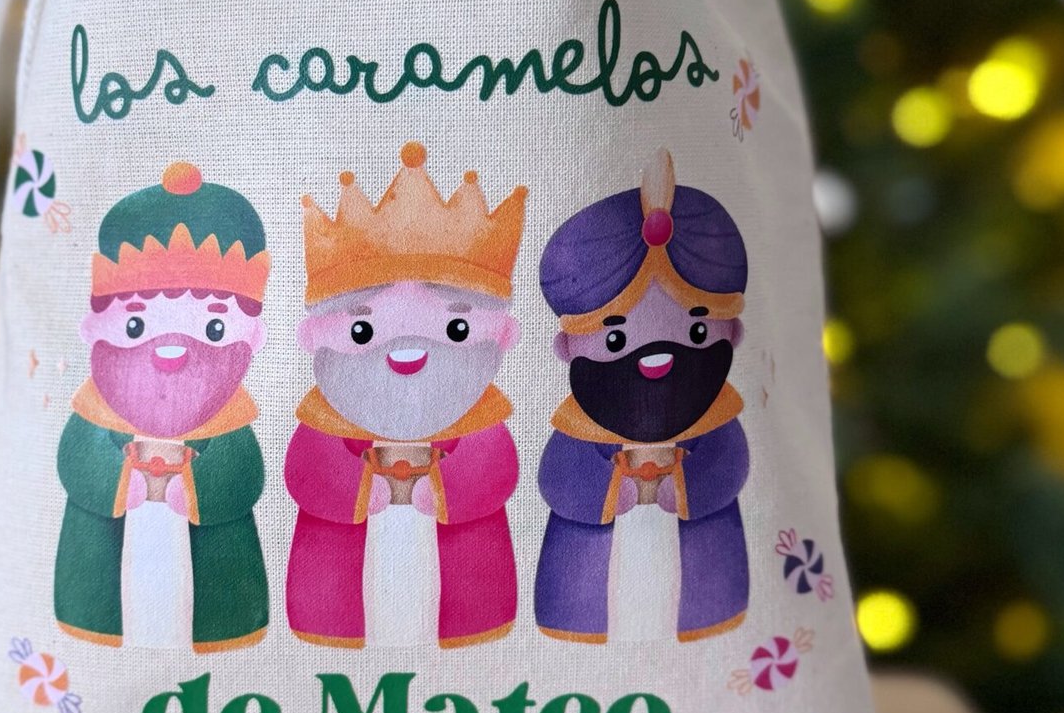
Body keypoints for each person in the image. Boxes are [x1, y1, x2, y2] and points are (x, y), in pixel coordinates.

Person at [284, 141, 526, 649]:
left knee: (468, 601)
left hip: (459, 559)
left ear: (498, 335)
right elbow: (307, 475)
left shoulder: (479, 419)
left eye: (455, 329)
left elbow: (494, 472)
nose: (406, 349)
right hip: (346, 563)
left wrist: (439, 486)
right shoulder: (325, 421)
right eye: (363, 332)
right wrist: (361, 487)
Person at [54, 162, 270, 652]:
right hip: (105, 564)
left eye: (213, 328)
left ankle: (224, 634)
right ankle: (96, 631)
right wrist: (126, 475)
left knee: (220, 581)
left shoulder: (229, 420)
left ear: (250, 338)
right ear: (97, 329)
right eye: (136, 326)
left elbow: (242, 478)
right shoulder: (94, 414)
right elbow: (76, 465)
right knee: (98, 580)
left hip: (210, 565)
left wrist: (190, 480)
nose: (171, 348)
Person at [535, 151, 749, 645]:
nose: (657, 357)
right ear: (568, 348)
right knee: (577, 549)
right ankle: (572, 625)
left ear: (732, 333)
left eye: (698, 331)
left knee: (713, 539)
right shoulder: (579, 430)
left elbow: (728, 466)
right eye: (614, 339)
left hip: (698, 528)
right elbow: (561, 481)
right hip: (600, 532)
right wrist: (616, 487)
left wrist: (684, 484)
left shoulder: (715, 418)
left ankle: (712, 619)